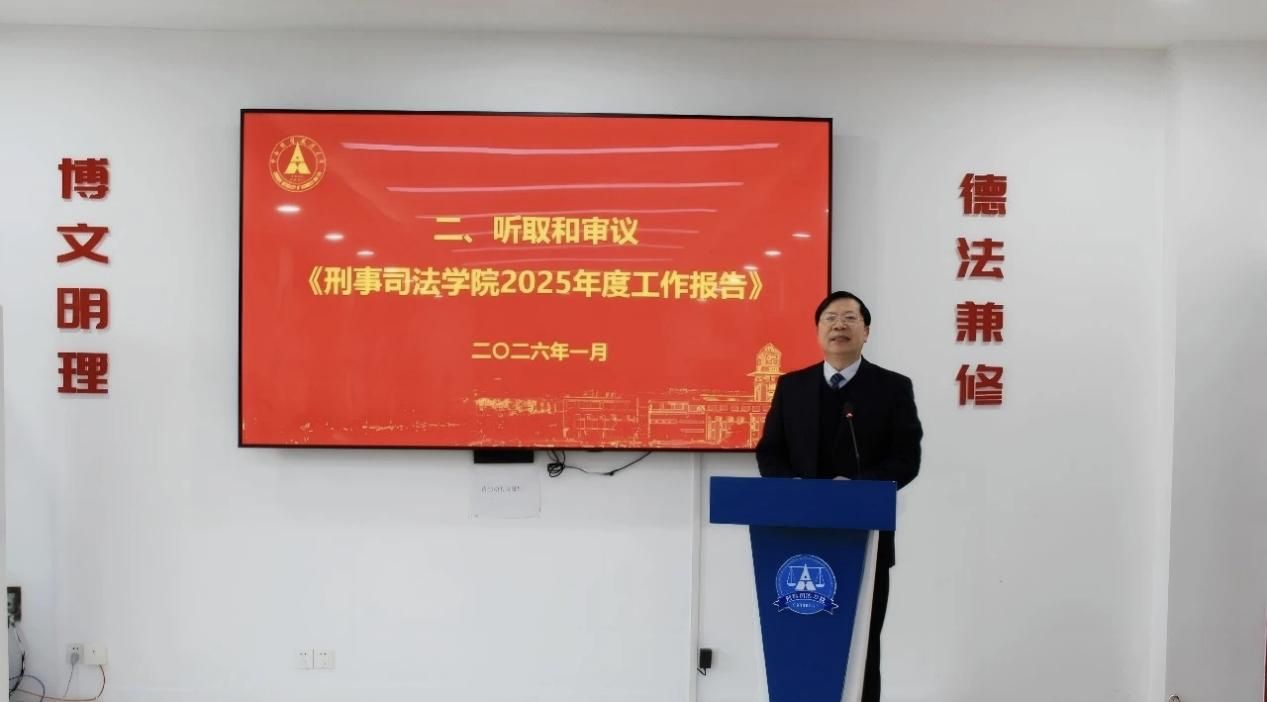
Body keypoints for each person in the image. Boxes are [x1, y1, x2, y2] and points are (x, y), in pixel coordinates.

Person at [755, 290, 923, 702]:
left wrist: (860, 488)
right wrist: (793, 487)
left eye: (850, 318)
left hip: (865, 539)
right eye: (830, 318)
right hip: (797, 539)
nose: (839, 325)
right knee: (799, 640)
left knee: (863, 643)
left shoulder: (893, 388)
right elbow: (770, 451)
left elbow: (906, 459)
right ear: (818, 331)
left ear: (866, 331)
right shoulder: (792, 386)